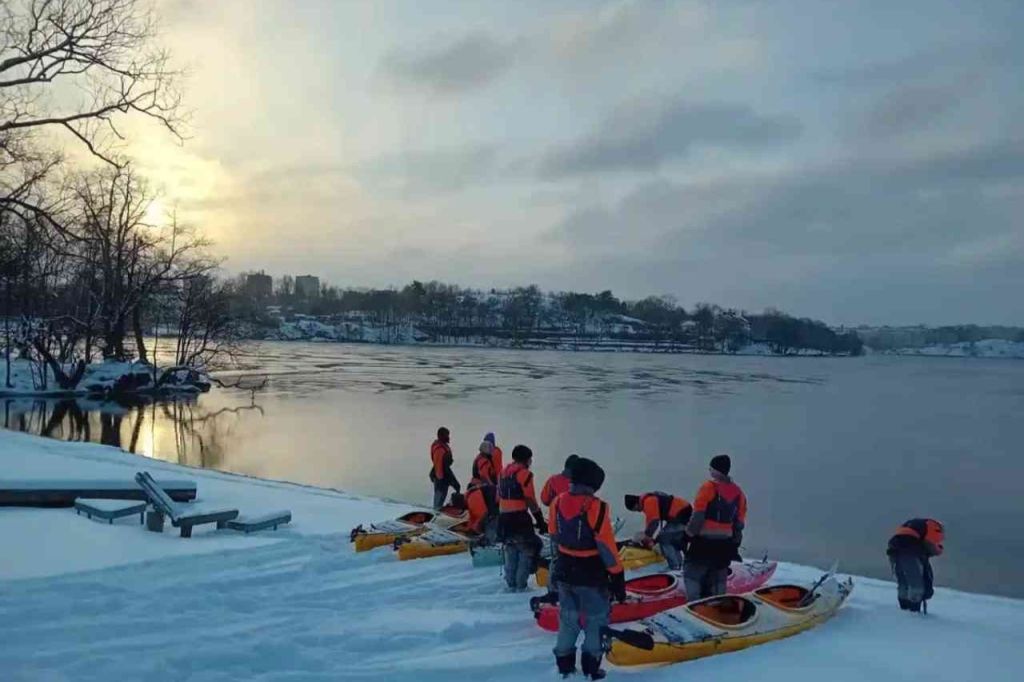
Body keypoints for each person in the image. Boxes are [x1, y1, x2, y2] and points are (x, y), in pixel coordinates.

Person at [549, 457, 625, 680]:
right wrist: (618, 576)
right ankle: (591, 667)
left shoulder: (557, 502)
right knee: (595, 620)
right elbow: (606, 547)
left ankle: (564, 665)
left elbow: (553, 534)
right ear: (592, 483)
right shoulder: (597, 507)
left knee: (568, 619)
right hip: (591, 573)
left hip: (563, 568)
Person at [684, 454, 747, 600]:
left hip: (703, 544)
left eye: (711, 468)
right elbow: (739, 524)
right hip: (724, 545)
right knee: (718, 579)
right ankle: (717, 609)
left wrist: (688, 535)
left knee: (692, 575)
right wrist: (734, 545)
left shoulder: (708, 487)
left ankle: (695, 609)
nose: (709, 471)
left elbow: (698, 516)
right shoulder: (739, 493)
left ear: (716, 470)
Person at [498, 444, 546, 592]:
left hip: (504, 518)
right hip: (519, 517)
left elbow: (498, 496)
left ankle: (510, 584)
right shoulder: (525, 474)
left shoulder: (503, 473)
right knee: (527, 549)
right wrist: (539, 519)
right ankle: (521, 586)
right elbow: (530, 498)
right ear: (527, 460)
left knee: (511, 549)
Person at [534, 454, 580, 605]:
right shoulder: (580, 483)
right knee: (576, 559)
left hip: (556, 528)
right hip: (576, 530)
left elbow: (545, 500)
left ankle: (554, 591)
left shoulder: (553, 481)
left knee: (556, 560)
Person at [624, 491, 693, 571]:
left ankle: (675, 567)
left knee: (663, 539)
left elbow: (653, 521)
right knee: (672, 539)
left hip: (682, 515)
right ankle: (680, 564)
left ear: (636, 504)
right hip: (682, 513)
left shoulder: (648, 502)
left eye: (635, 509)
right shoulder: (650, 498)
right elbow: (652, 521)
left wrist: (647, 536)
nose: (639, 511)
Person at [887, 518, 944, 613]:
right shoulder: (932, 526)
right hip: (910, 551)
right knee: (916, 583)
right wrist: (939, 550)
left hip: (894, 549)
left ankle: (904, 608)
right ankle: (914, 611)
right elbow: (931, 544)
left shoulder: (912, 523)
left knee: (903, 582)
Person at [466, 440, 501, 543]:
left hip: (477, 488)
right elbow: (485, 475)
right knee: (488, 513)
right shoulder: (484, 461)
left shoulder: (479, 458)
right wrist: (493, 487)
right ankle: (487, 534)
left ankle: (476, 530)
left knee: (481, 513)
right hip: (480, 489)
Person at [429, 427, 460, 510]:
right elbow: (441, 466)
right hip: (441, 478)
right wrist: (452, 481)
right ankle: (435, 515)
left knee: (439, 499)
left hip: (441, 476)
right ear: (442, 436)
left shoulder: (440, 447)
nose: (448, 437)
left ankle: (436, 513)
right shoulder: (440, 449)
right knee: (438, 501)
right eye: (447, 435)